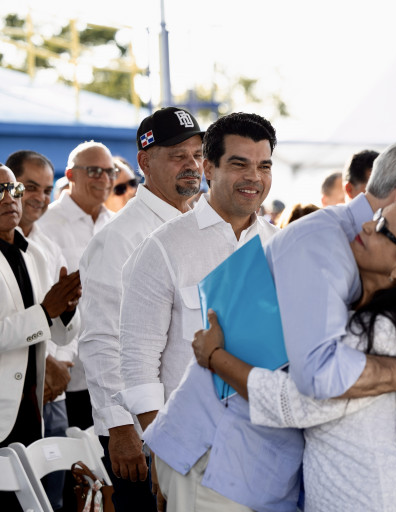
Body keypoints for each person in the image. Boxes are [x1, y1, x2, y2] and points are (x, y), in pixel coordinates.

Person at [142, 136, 396, 511]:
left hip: (254, 464)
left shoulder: (385, 292)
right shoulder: (324, 244)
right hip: (219, 456)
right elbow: (318, 378)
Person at [115, 112, 281, 511]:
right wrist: (163, 450)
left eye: (264, 166)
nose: (254, 177)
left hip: (273, 450)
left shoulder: (281, 246)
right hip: (195, 454)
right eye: (239, 164)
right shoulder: (164, 246)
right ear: (209, 168)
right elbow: (138, 360)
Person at [77, 106, 204, 511]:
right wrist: (119, 428)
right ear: (145, 163)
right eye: (178, 155)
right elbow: (101, 338)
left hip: (193, 423)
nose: (192, 165)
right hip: (140, 432)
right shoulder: (119, 238)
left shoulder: (202, 227)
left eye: (198, 154)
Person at [0, 164, 81, 511]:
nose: (10, 199)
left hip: (32, 407)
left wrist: (66, 310)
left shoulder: (32, 252)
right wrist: (47, 311)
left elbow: (56, 334)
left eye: (14, 190)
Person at [36, 141, 116, 433]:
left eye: (110, 172)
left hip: (111, 371)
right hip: (63, 374)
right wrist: (56, 364)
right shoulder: (44, 224)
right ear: (70, 175)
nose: (104, 179)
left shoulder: (117, 225)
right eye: (94, 171)